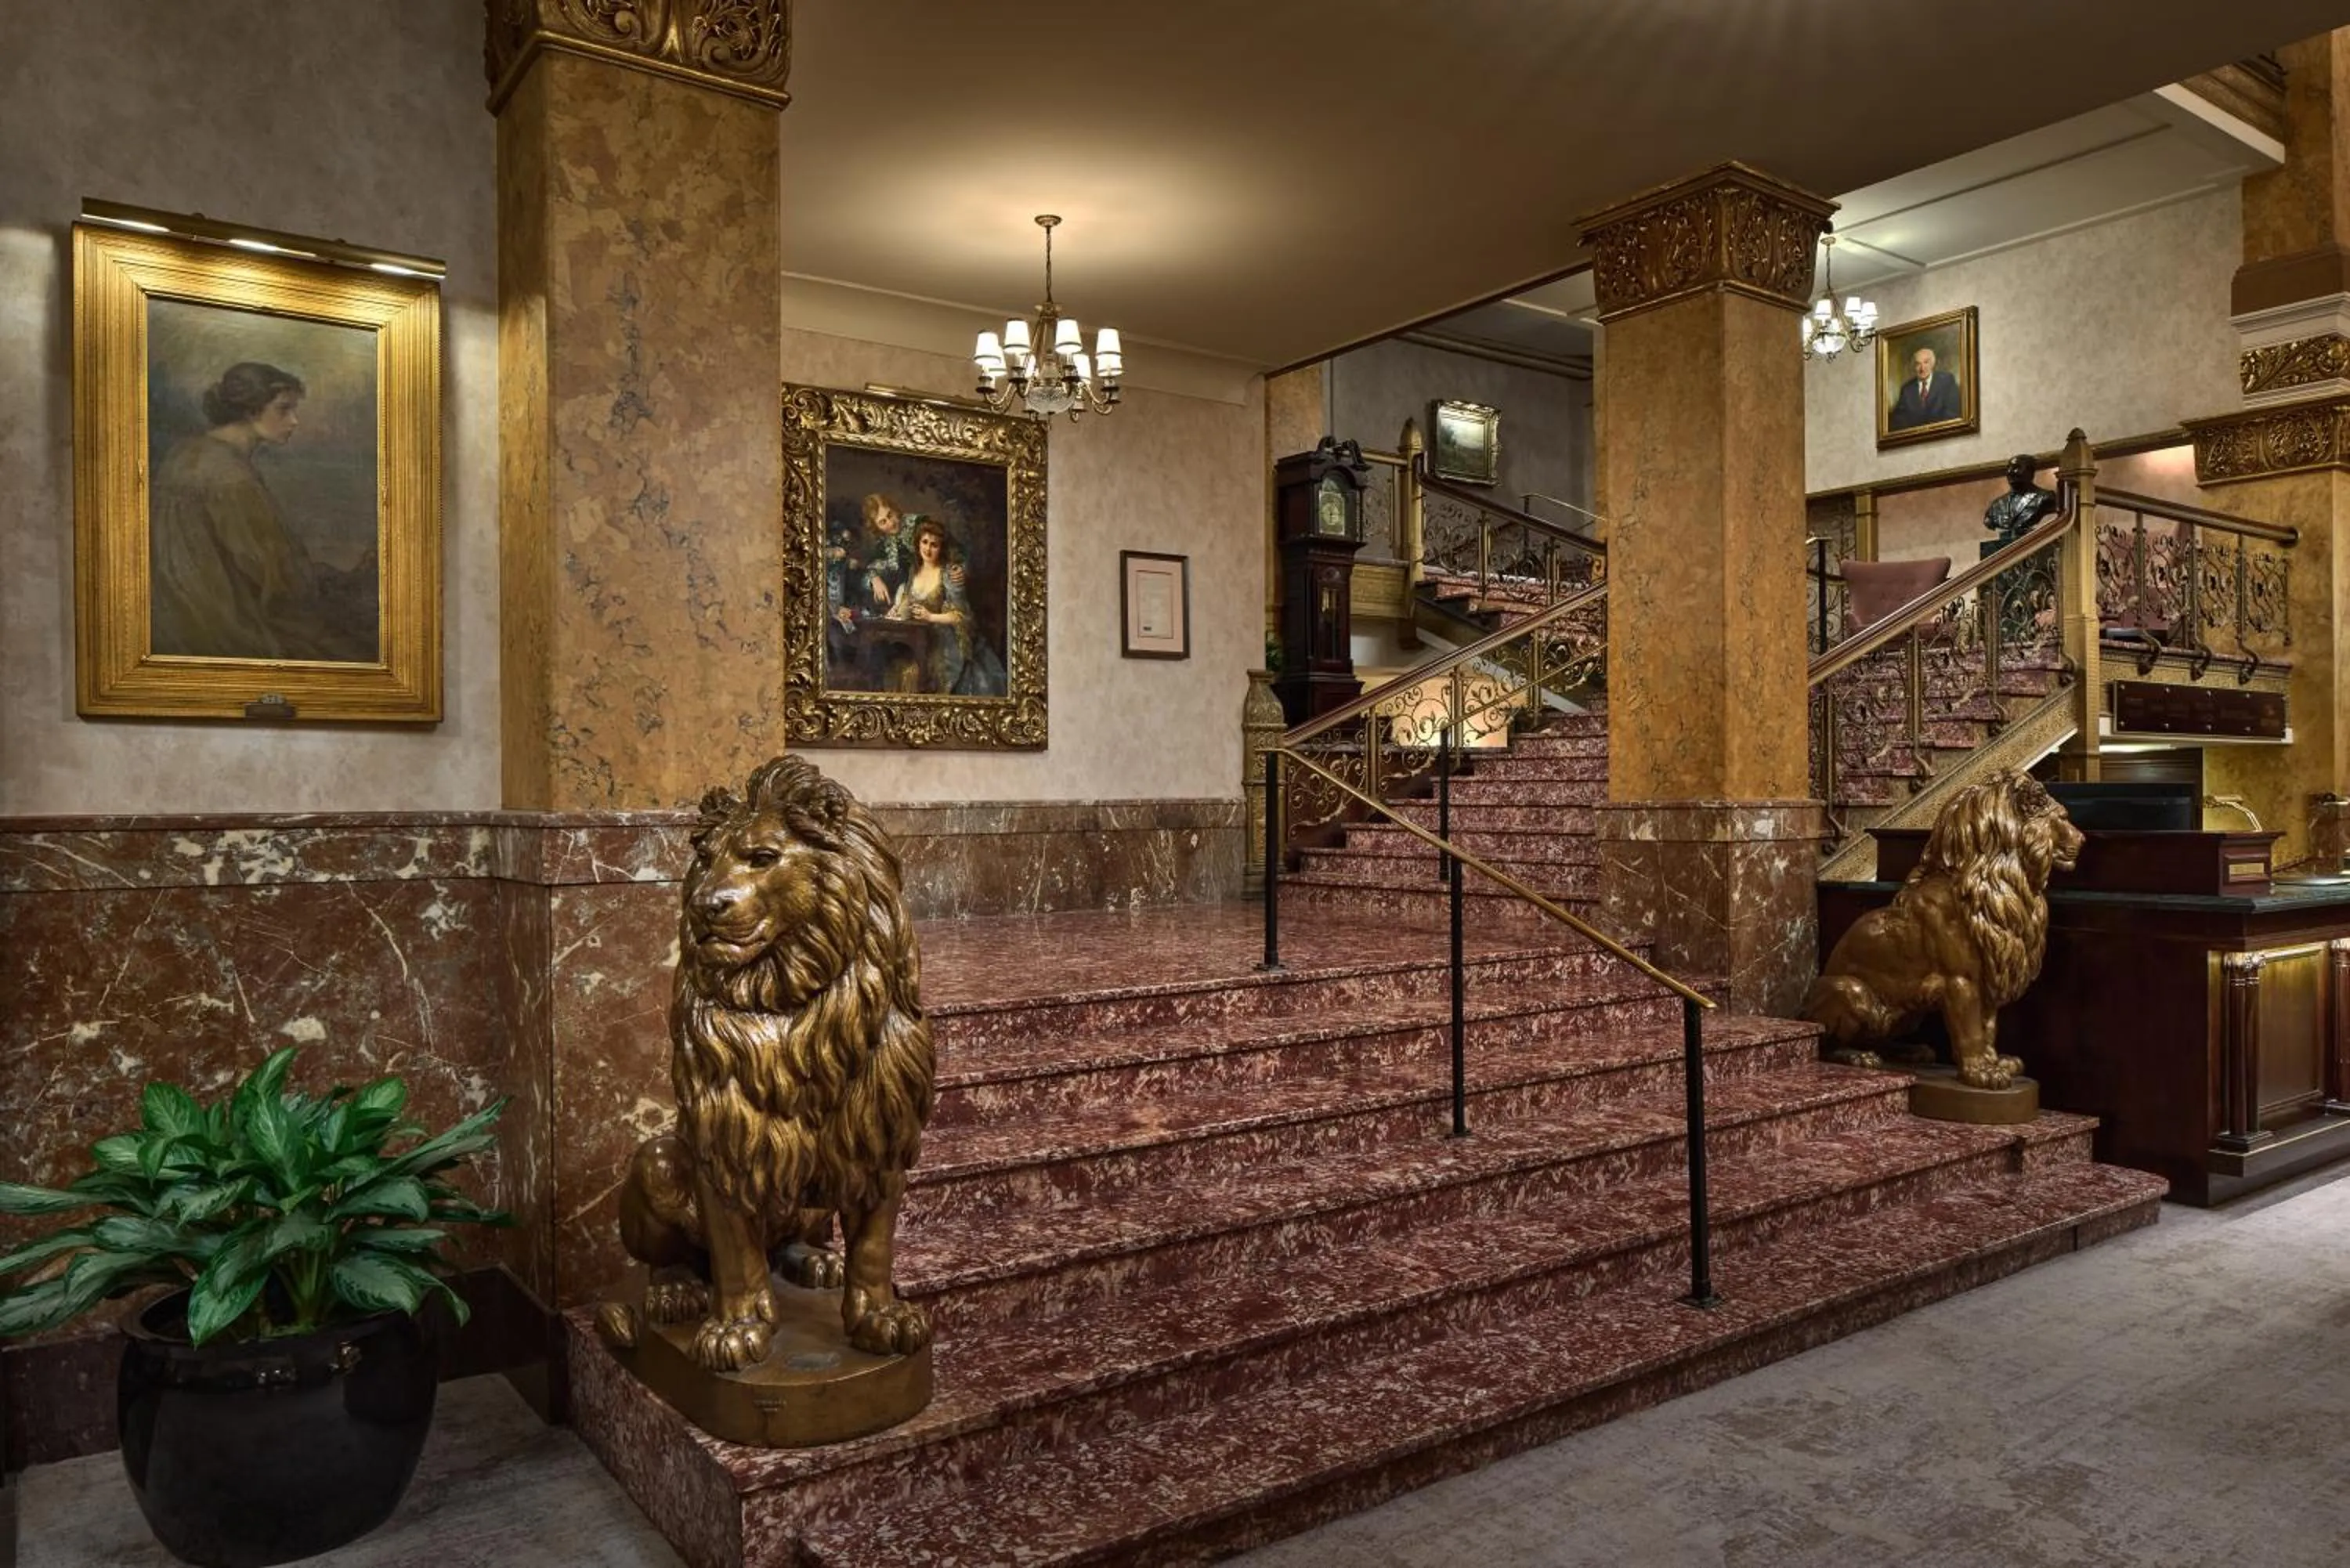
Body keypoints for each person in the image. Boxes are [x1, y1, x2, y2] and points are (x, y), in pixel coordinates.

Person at [149, 361, 376, 662]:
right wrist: (342, 582)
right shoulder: (230, 476)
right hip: (226, 623)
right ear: (251, 410)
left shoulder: (189, 453)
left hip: (180, 614)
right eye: (283, 410)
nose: (294, 421)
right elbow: (274, 574)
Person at [884, 516, 1005, 696]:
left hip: (944, 641)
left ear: (941, 548)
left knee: (920, 673)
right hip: (919, 637)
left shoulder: (950, 574)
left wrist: (931, 617)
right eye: (925, 542)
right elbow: (908, 599)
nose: (928, 548)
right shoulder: (914, 570)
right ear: (918, 543)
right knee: (896, 667)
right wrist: (897, 608)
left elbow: (961, 616)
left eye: (934, 545)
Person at [1887, 345, 1962, 432]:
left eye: (1926, 362)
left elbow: (1953, 413)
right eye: (1918, 364)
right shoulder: (1907, 389)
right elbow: (1898, 421)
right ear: (1914, 367)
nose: (1922, 368)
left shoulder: (1946, 381)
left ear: (1932, 364)